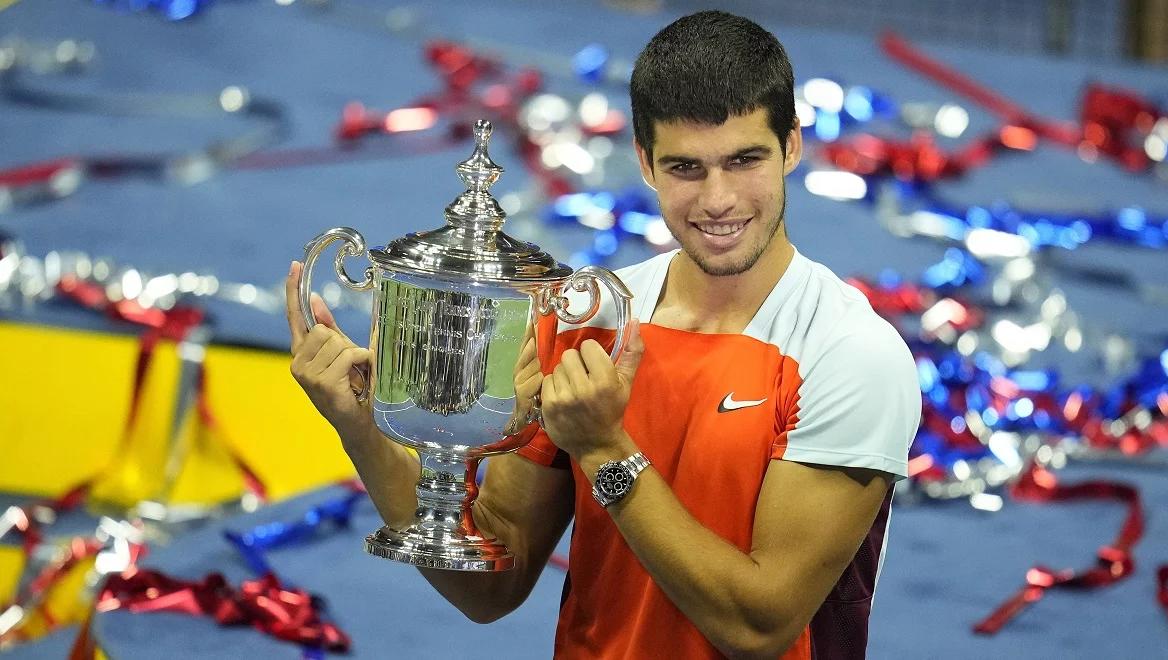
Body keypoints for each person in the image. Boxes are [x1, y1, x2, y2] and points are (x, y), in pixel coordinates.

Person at [286, 10, 921, 660]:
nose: (719, 199)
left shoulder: (851, 356)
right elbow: (489, 589)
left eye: (744, 160)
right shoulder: (585, 320)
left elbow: (757, 627)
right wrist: (361, 429)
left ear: (792, 144)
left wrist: (604, 450)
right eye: (686, 168)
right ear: (645, 162)